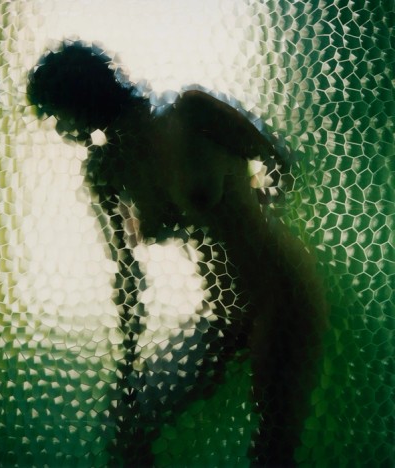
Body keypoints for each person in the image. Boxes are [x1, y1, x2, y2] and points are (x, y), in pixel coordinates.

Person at [27, 42, 328, 467]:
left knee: (272, 449)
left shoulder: (191, 112)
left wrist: (250, 205)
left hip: (279, 293)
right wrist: (127, 366)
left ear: (82, 97)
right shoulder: (105, 169)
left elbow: (280, 164)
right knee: (127, 426)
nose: (59, 126)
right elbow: (127, 276)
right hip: (224, 314)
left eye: (59, 112)